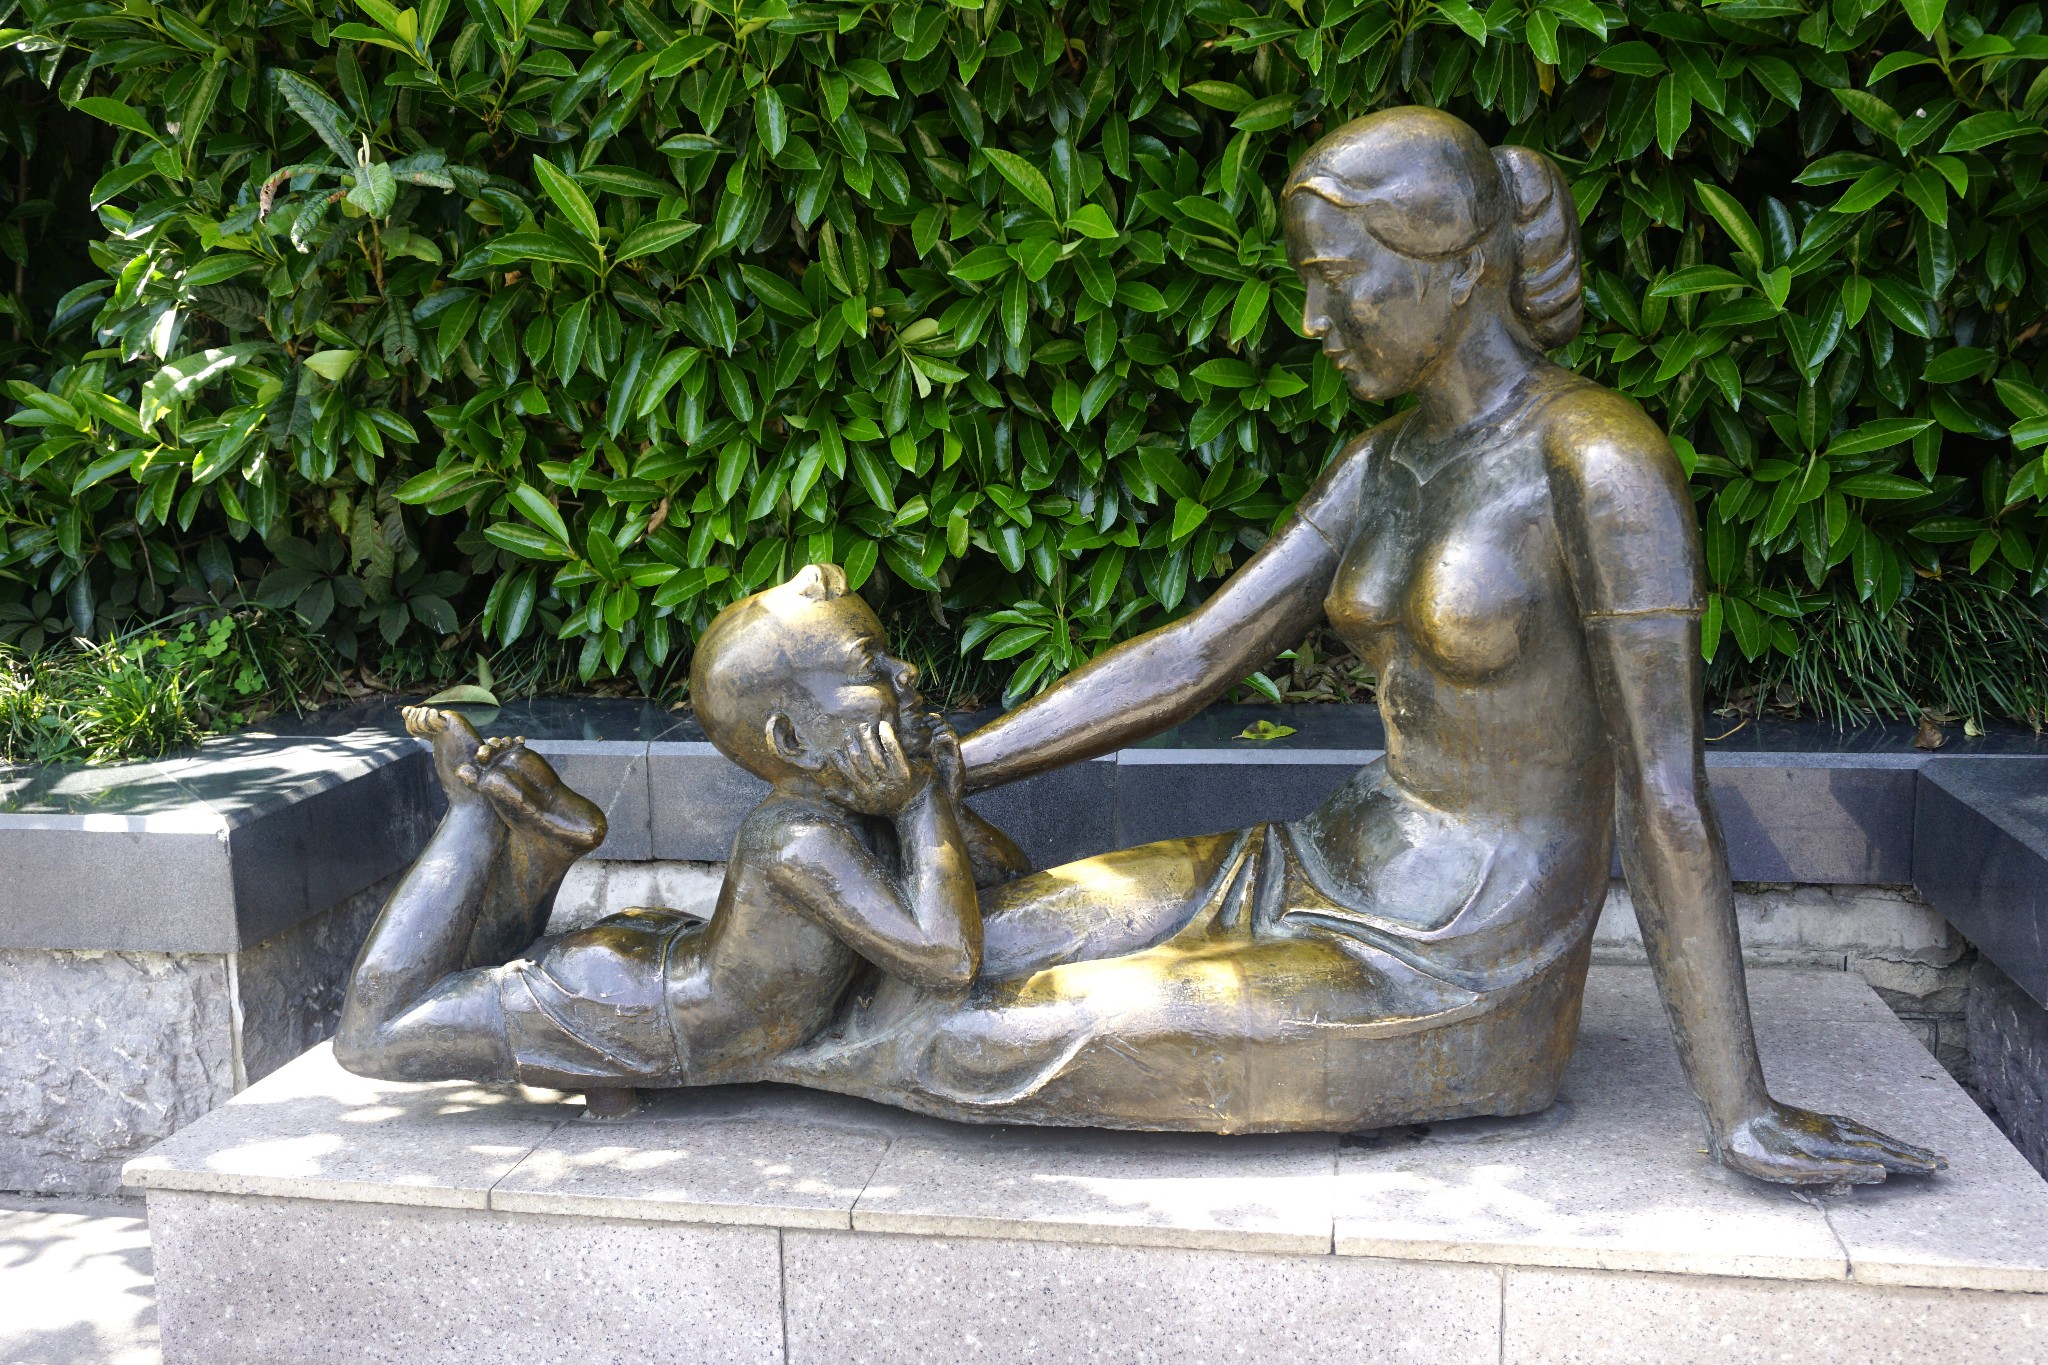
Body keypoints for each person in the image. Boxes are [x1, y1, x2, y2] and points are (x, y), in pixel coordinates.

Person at [333, 563, 1025, 1090]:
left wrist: (942, 804)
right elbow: (948, 961)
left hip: (659, 960)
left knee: (483, 969)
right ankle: (473, 813)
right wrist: (921, 806)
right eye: (868, 665)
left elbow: (999, 886)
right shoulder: (798, 841)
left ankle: (545, 847)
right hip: (636, 1013)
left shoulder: (858, 802)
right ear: (792, 741)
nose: (906, 672)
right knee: (380, 1032)